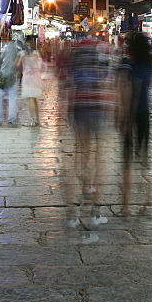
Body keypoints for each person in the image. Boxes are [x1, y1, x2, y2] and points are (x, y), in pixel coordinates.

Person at [59, 36, 117, 228]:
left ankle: (74, 211)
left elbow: (66, 81)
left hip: (79, 107)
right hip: (99, 108)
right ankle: (95, 211)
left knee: (80, 155)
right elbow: (108, 82)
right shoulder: (103, 54)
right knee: (100, 159)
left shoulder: (76, 54)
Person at [119, 31, 152, 216]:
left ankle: (126, 205)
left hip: (132, 115)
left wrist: (126, 118)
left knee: (127, 162)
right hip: (145, 114)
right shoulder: (148, 66)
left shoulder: (131, 66)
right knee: (143, 159)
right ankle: (146, 200)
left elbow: (131, 92)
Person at [0, 34, 24, 125]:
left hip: (2, 76)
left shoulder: (6, 48)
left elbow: (1, 58)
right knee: (12, 98)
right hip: (12, 77)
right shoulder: (20, 50)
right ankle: (11, 119)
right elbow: (17, 65)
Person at [19, 39, 44, 126]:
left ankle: (32, 120)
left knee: (30, 99)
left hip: (28, 78)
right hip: (36, 78)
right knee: (34, 98)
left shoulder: (23, 54)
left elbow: (17, 64)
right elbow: (41, 65)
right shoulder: (37, 53)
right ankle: (37, 119)